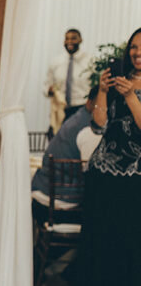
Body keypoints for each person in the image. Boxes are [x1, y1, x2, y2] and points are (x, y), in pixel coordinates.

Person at [77, 27, 141, 286]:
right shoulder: (119, 82)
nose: (137, 53)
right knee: (105, 238)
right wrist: (103, 90)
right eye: (134, 47)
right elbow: (99, 125)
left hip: (135, 175)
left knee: (133, 241)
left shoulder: (129, 89)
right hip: (104, 171)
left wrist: (131, 95)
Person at [31, 86, 103, 221]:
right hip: (59, 202)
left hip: (40, 190)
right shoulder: (89, 130)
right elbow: (91, 175)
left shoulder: (77, 117)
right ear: (90, 102)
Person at [43, 28, 93, 134]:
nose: (69, 42)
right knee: (58, 143)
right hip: (61, 110)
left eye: (73, 38)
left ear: (80, 40)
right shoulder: (56, 62)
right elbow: (46, 85)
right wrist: (49, 90)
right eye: (67, 39)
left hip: (82, 108)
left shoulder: (90, 61)